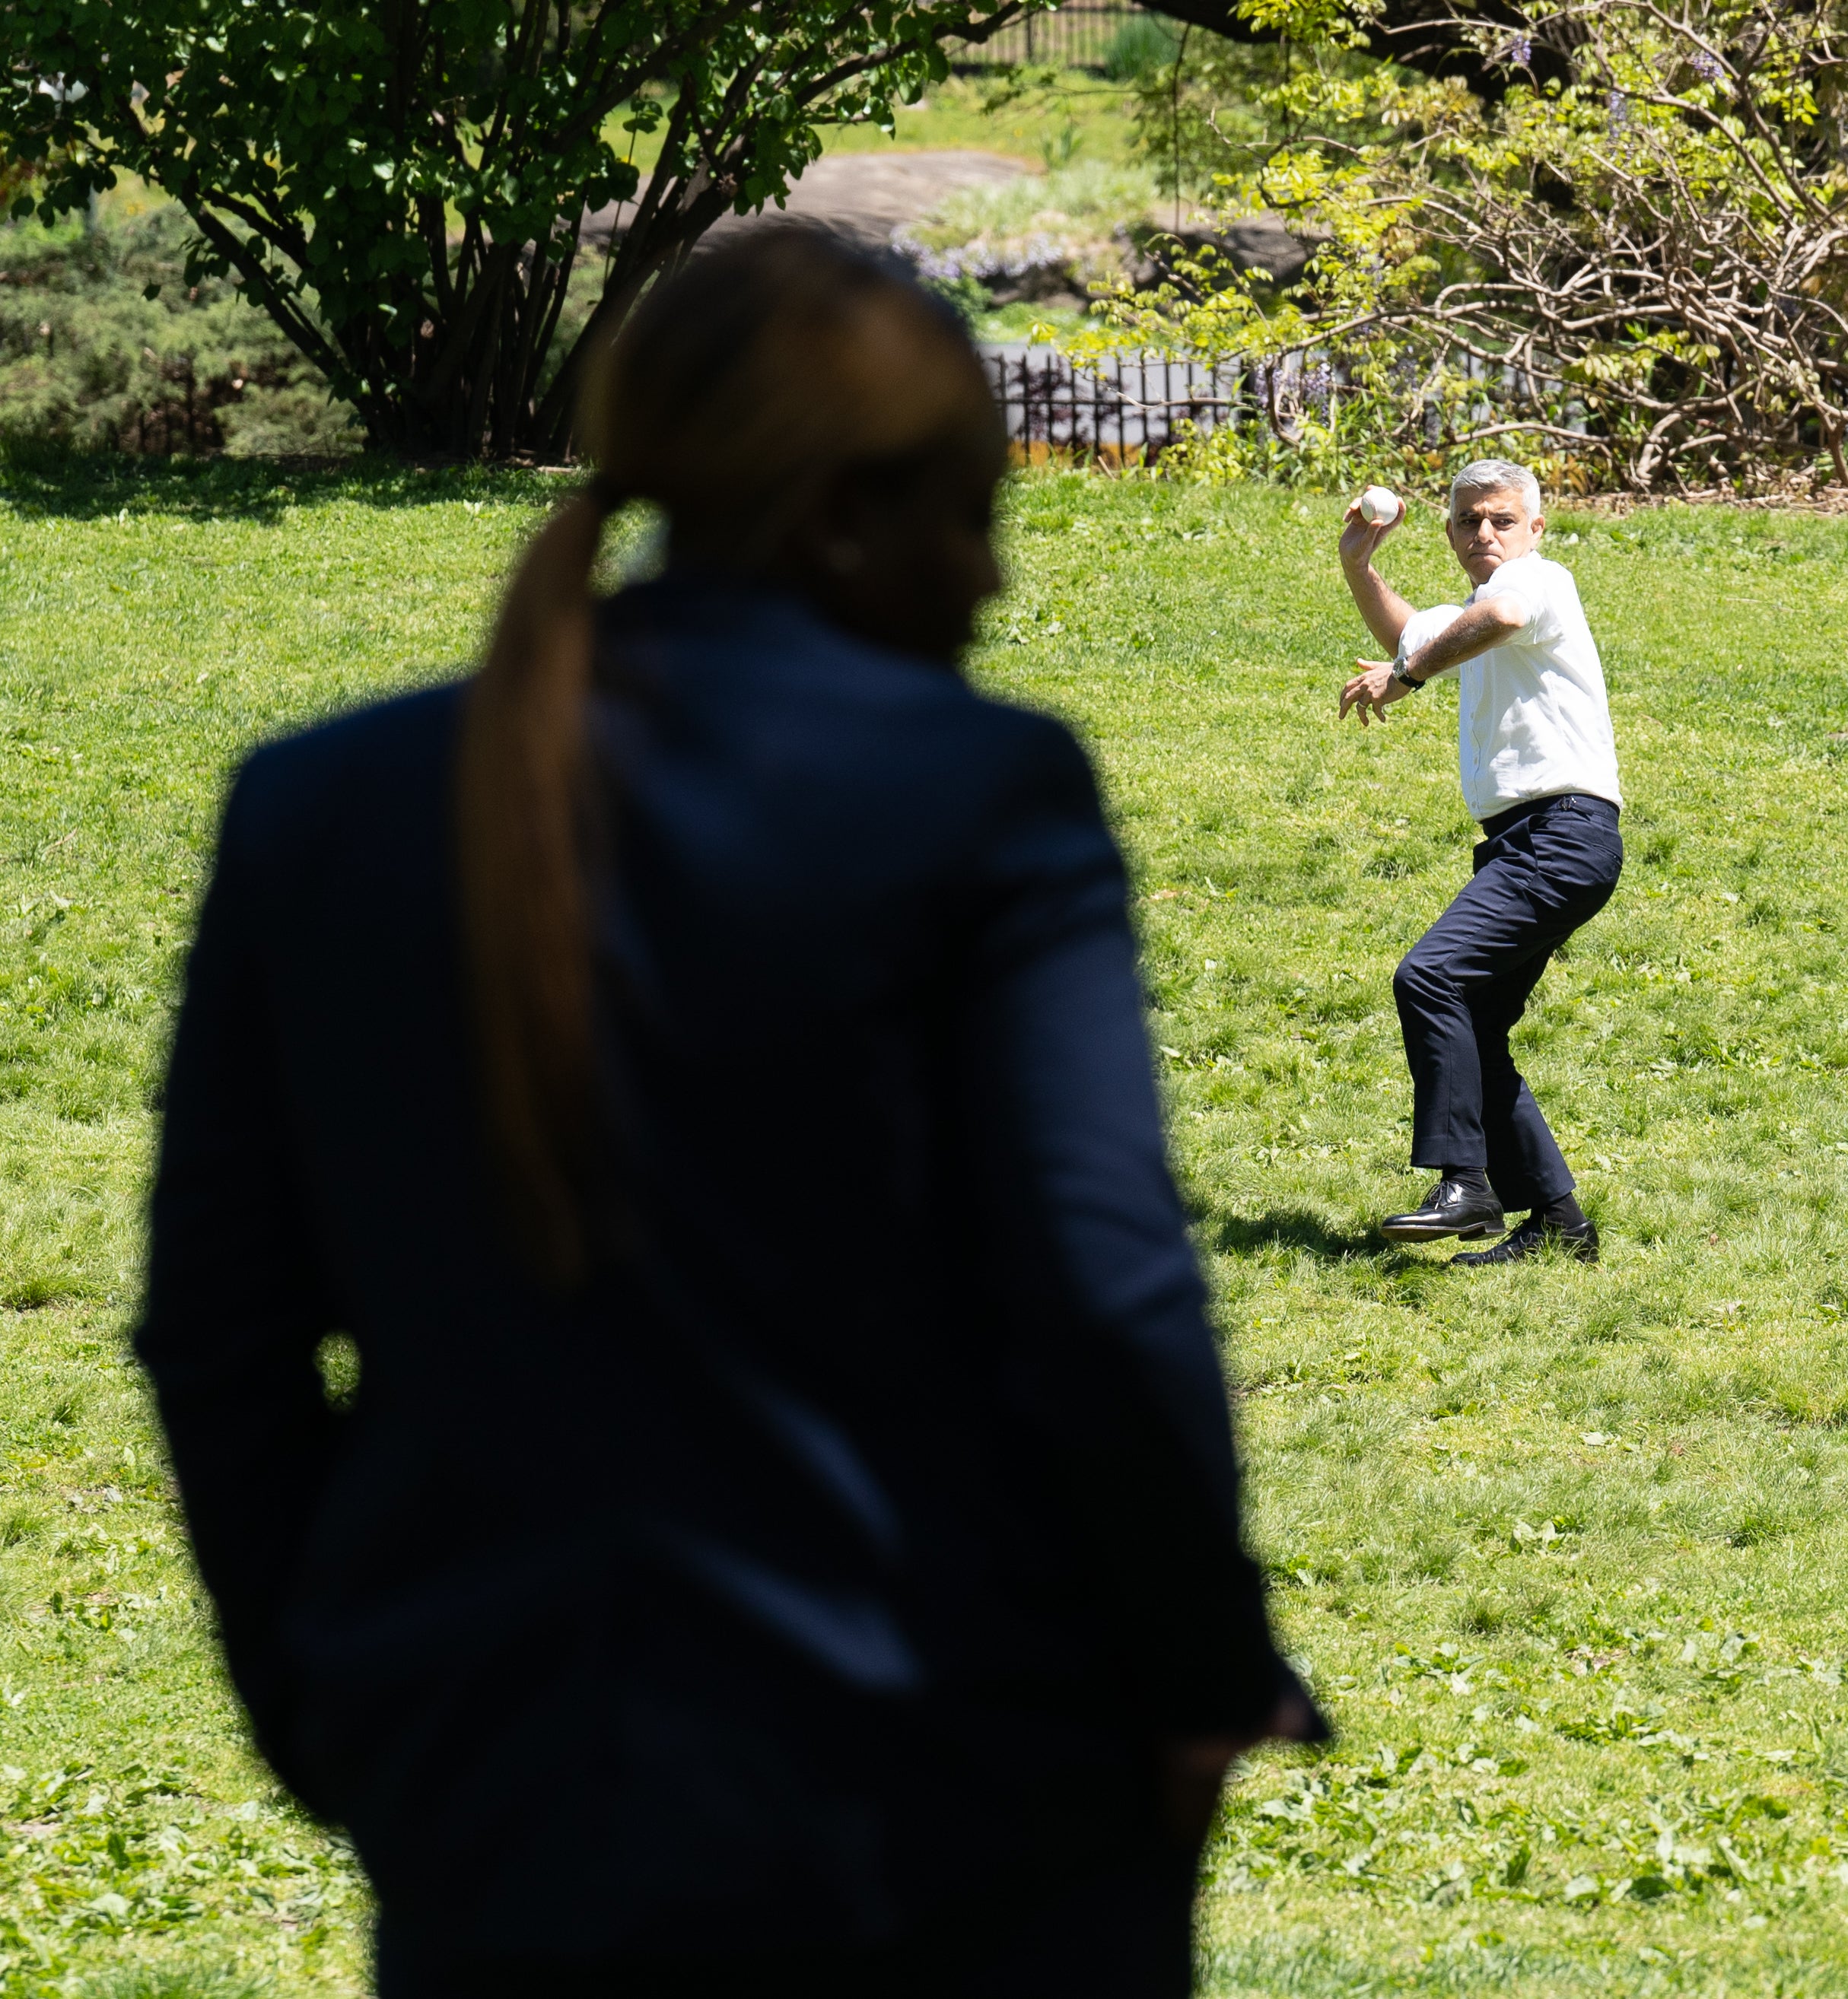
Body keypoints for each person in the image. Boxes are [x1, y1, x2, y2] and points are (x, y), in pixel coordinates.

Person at [135, 229, 1317, 1999]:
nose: (991, 580)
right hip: (952, 1787)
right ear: (846, 518)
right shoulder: (977, 795)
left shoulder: (317, 809)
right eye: (971, 514)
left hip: (513, 1800)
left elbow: (218, 1334)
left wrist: (335, 1705)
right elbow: (1102, 1291)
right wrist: (1204, 1682)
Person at [1335, 459, 1622, 1263]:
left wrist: (1406, 675)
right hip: (1526, 841)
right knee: (1474, 1027)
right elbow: (1413, 638)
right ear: (1451, 532)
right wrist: (1359, 566)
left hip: (1563, 834)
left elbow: (1481, 624)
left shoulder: (1540, 583)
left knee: (1430, 978)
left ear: (1535, 527)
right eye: (1468, 521)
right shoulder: (1473, 610)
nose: (1483, 534)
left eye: (1500, 519)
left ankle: (1466, 1185)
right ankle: (1561, 1227)